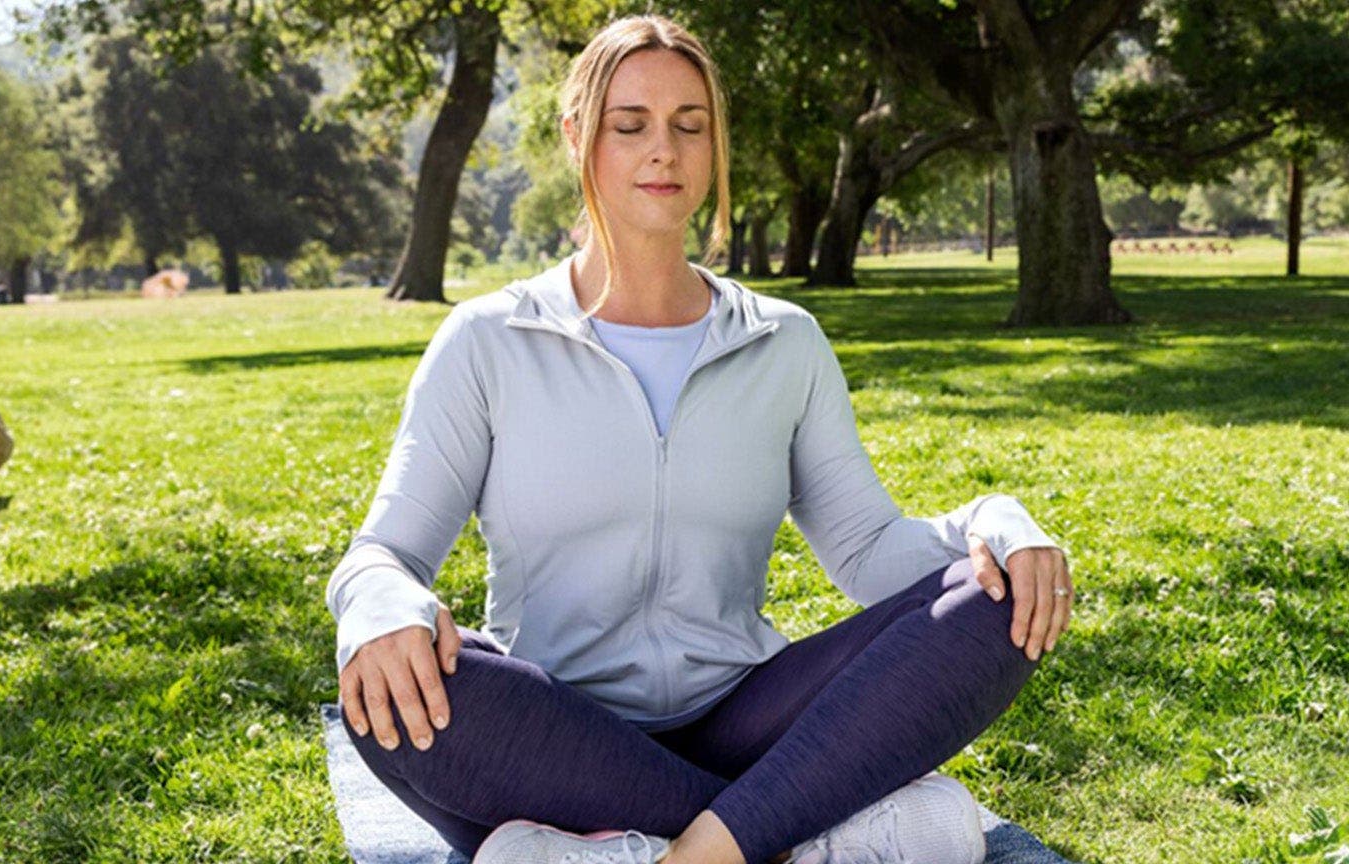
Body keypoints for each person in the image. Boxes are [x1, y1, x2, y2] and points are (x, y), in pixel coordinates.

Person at [326, 14, 1073, 864]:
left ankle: (655, 852)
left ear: (716, 145)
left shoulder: (782, 343)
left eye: (691, 125)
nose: (664, 152)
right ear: (578, 138)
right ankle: (787, 837)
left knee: (999, 599)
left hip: (743, 719)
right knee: (385, 691)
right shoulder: (489, 341)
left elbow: (871, 549)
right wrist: (381, 608)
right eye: (630, 124)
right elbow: (382, 553)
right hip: (557, 738)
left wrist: (998, 523)